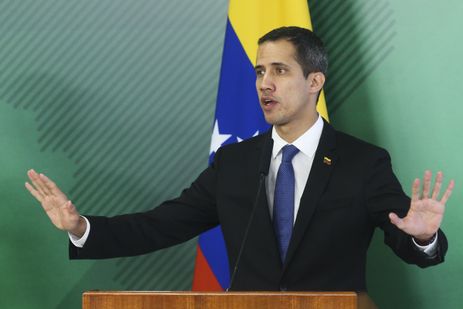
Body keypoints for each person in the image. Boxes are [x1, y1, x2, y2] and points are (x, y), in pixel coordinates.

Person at [25, 26, 454, 292]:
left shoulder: (363, 162)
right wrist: (81, 228)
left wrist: (422, 238)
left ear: (314, 81)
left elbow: (410, 244)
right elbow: (161, 225)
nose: (264, 84)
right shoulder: (235, 164)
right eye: (259, 71)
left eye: (280, 71)